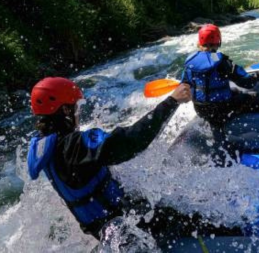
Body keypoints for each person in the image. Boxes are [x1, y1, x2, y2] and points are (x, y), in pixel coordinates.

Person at [27, 77, 239, 243]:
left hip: (108, 231)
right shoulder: (75, 146)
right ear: (64, 110)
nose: (77, 114)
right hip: (131, 229)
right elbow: (132, 142)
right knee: (205, 222)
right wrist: (172, 101)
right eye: (75, 108)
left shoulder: (48, 147)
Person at [182, 24, 259, 137]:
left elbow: (185, 85)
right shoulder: (221, 62)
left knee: (235, 90)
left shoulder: (190, 61)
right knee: (253, 96)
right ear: (218, 41)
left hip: (200, 110)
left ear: (200, 42)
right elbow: (247, 83)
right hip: (220, 110)